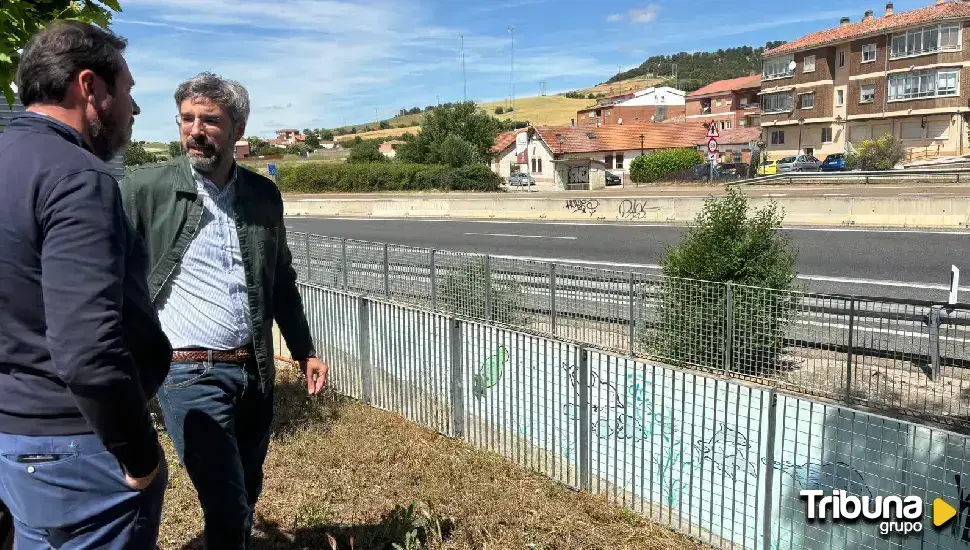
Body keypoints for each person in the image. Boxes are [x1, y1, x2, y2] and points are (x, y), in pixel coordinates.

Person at [120, 72, 329, 549]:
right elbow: (109, 275)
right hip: (187, 372)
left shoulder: (261, 196)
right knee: (227, 500)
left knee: (246, 490)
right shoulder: (143, 189)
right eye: (186, 119)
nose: (195, 130)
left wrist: (304, 349)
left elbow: (280, 281)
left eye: (210, 120)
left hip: (253, 369)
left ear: (238, 128)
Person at [0, 21, 171, 549]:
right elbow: (88, 348)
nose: (134, 109)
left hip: (15, 435)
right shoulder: (76, 177)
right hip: (72, 446)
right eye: (129, 91)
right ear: (90, 87)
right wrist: (139, 455)